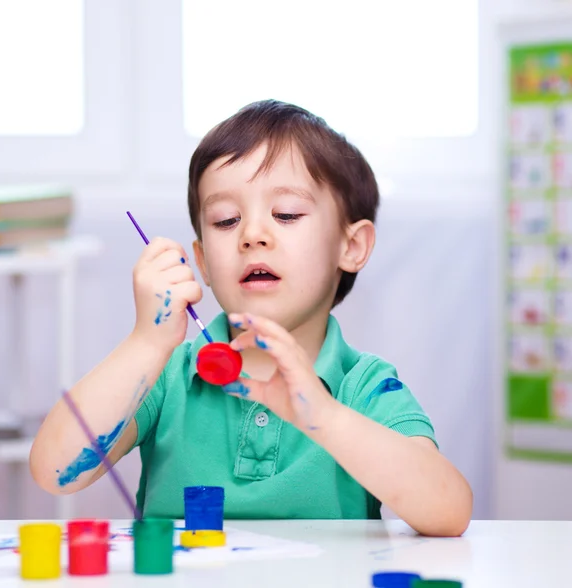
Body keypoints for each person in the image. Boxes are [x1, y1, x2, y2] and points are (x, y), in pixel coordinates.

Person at [31, 100, 473, 536]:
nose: (252, 235)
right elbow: (55, 471)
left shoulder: (364, 386)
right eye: (225, 220)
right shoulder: (166, 375)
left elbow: (449, 513)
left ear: (351, 246)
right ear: (201, 262)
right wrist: (146, 342)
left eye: (286, 214)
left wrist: (325, 415)